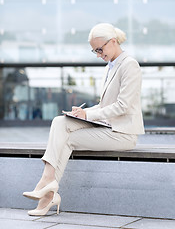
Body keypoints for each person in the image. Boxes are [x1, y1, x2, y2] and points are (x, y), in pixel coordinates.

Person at [23, 23, 145, 216]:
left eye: (99, 49)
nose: (98, 54)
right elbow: (104, 106)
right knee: (60, 122)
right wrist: (82, 112)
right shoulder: (111, 67)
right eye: (94, 51)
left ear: (112, 42)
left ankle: (46, 189)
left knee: (67, 138)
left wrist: (89, 115)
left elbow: (123, 106)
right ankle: (48, 188)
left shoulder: (130, 64)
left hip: (123, 133)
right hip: (108, 126)